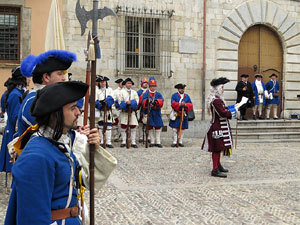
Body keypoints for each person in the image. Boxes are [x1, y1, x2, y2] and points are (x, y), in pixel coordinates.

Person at [4, 81, 110, 225]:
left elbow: (85, 181)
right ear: (55, 113)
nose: (78, 112)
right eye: (72, 108)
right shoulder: (37, 156)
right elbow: (32, 218)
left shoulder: (60, 143)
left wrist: (94, 147)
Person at [17, 49, 76, 137]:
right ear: (46, 77)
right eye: (60, 74)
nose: (64, 78)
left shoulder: (45, 97)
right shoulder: (32, 100)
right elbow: (49, 133)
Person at [202, 77, 236, 178]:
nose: (223, 89)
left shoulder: (218, 100)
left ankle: (218, 165)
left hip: (221, 126)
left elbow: (224, 109)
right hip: (217, 127)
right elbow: (222, 113)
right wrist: (233, 113)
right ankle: (214, 169)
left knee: (220, 148)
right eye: (222, 87)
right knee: (216, 149)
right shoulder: (216, 101)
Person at [0, 67, 27, 173]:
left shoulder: (14, 92)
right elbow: (16, 117)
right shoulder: (16, 94)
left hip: (10, 131)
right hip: (13, 133)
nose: (29, 79)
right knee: (14, 169)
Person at [142, 77, 164, 147]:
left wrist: (157, 102)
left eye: (154, 86)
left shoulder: (158, 94)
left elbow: (161, 101)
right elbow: (143, 101)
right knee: (150, 126)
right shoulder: (146, 94)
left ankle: (158, 141)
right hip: (149, 112)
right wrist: (147, 101)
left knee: (158, 126)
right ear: (149, 86)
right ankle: (152, 141)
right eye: (151, 86)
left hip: (157, 112)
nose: (153, 88)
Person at [118, 78, 139, 148]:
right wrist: (126, 103)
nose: (129, 84)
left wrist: (131, 103)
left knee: (133, 126)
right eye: (128, 83)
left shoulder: (134, 92)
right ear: (125, 84)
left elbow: (137, 101)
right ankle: (124, 141)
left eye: (130, 83)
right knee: (123, 126)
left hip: (132, 112)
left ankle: (133, 142)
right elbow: (120, 101)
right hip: (124, 112)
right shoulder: (121, 92)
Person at [95, 75, 115, 148]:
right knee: (100, 125)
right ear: (99, 83)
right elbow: (96, 101)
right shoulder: (97, 91)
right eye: (101, 82)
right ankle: (102, 141)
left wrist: (106, 102)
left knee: (109, 126)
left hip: (108, 110)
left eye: (104, 82)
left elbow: (112, 98)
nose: (103, 83)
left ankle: (108, 142)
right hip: (101, 110)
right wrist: (101, 105)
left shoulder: (110, 90)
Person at [137, 78, 148, 143]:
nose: (146, 84)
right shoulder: (138, 92)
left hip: (147, 109)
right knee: (140, 123)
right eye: (144, 83)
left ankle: (147, 136)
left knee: (147, 123)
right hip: (141, 109)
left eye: (146, 83)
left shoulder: (149, 91)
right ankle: (141, 136)